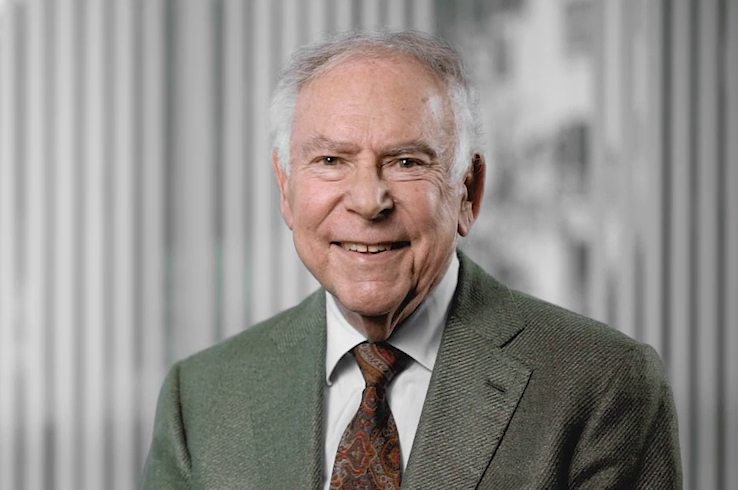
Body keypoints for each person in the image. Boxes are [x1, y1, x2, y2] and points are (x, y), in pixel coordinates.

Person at [141, 30, 682, 489]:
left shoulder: (601, 384)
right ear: (286, 189)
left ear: (468, 191)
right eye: (330, 160)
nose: (368, 201)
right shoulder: (202, 397)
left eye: (406, 162)